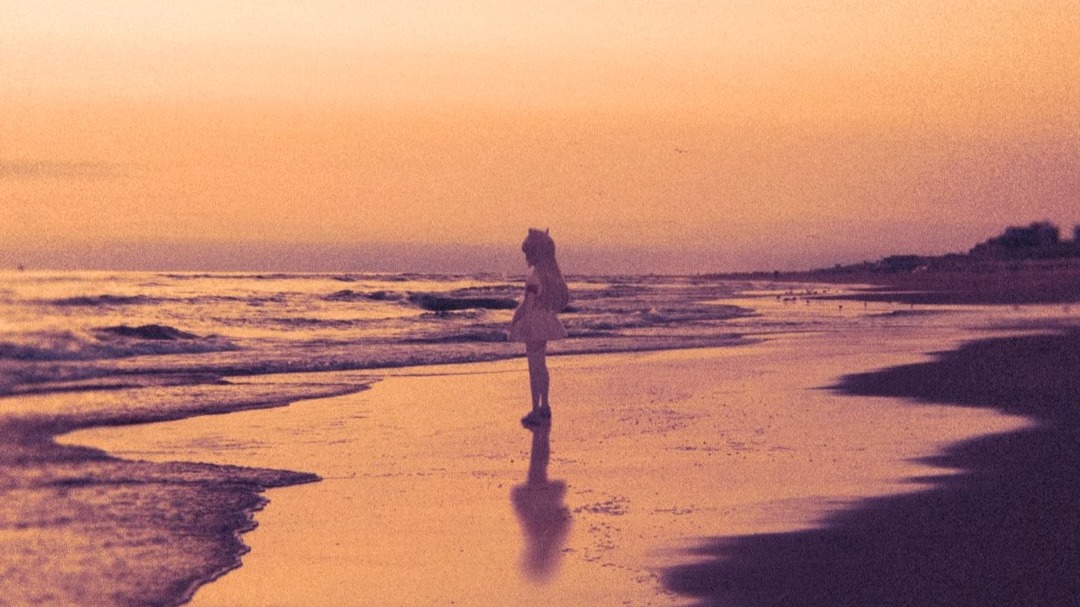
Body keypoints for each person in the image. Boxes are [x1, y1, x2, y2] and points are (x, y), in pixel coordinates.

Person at [508, 228, 569, 426]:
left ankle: (535, 410)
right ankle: (545, 405)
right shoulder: (549, 275)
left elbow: (527, 304)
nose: (526, 257)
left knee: (534, 367)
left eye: (527, 253)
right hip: (544, 320)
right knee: (541, 365)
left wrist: (515, 319)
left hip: (533, 323)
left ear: (534, 254)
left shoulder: (534, 276)